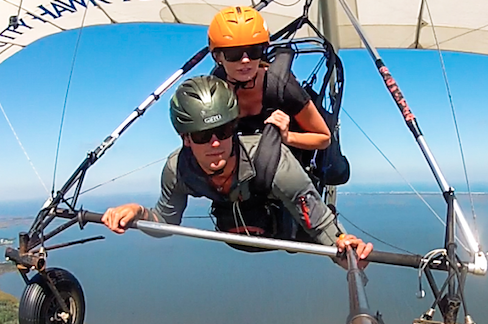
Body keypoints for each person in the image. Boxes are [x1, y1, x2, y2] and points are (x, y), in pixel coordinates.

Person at [102, 75, 371, 262]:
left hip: (282, 229)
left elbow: (322, 225)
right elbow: (166, 221)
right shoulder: (179, 169)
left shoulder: (273, 162)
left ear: (234, 127)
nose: (215, 143)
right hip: (239, 230)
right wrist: (137, 212)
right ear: (185, 138)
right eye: (202, 136)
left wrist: (346, 251)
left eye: (224, 130)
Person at [208, 6, 331, 151]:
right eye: (234, 53)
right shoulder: (213, 92)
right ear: (218, 57)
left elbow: (323, 137)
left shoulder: (281, 87)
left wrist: (288, 136)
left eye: (254, 51)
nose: (245, 60)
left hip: (284, 166)